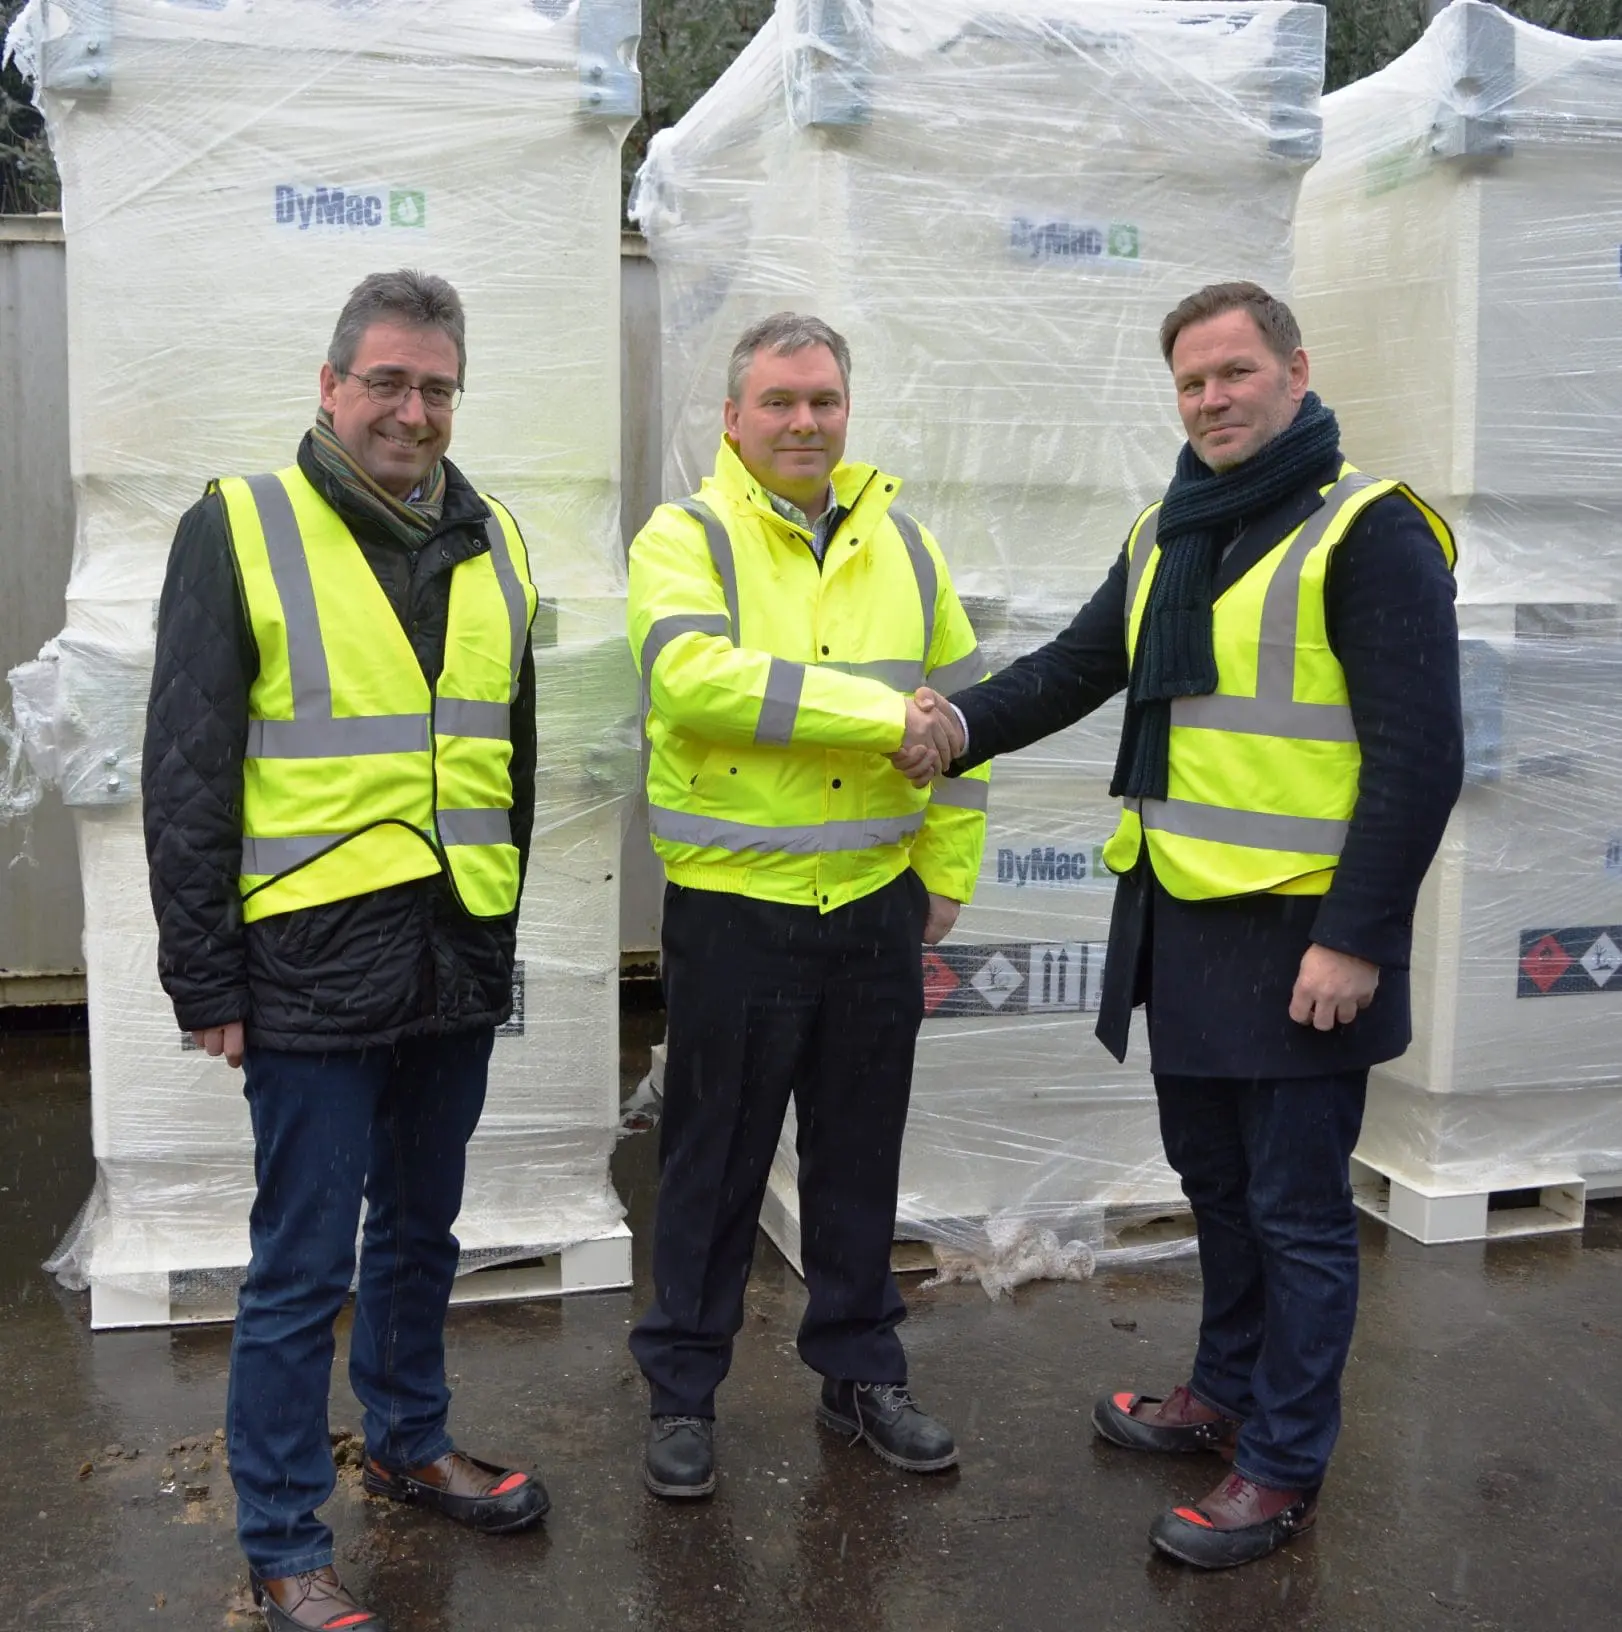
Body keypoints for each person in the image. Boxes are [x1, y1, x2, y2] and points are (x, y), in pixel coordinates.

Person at [905, 282, 1463, 1568]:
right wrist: (958, 728)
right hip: (1182, 921)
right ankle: (1221, 1393)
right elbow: (1076, 664)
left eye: (1231, 373)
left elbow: (1416, 757)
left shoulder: (1368, 532)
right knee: (1218, 1190)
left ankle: (1279, 1464)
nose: (1210, 399)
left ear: (1293, 372)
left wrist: (1357, 935)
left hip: (1302, 939)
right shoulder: (1171, 526)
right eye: (1188, 383)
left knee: (1299, 1213)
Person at [143, 269, 549, 1632]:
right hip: (309, 960)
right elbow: (188, 769)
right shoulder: (241, 527)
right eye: (386, 380)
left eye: (436, 386)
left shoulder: (495, 542)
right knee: (301, 1264)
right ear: (329, 388)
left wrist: (496, 930)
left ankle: (408, 1437)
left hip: (451, 950)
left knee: (421, 1232)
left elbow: (513, 758)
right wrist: (205, 975)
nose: (412, 409)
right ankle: (278, 1541)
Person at [626, 312, 989, 1500]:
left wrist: (943, 871)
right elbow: (694, 681)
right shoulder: (685, 538)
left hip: (875, 907)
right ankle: (682, 1390)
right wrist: (876, 717)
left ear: (847, 412)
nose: (802, 423)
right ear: (732, 419)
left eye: (822, 401)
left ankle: (858, 1371)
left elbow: (963, 721)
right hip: (738, 909)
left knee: (857, 1154)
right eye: (777, 403)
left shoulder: (907, 550)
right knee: (711, 1163)